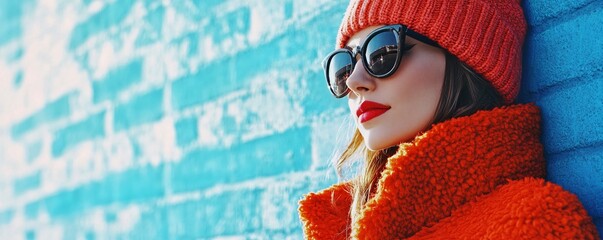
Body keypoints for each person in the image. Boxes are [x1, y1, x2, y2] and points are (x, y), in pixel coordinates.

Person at [298, 0, 600, 239]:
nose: (354, 81)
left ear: (464, 58)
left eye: (382, 52)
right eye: (345, 64)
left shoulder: (533, 225)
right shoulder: (341, 225)